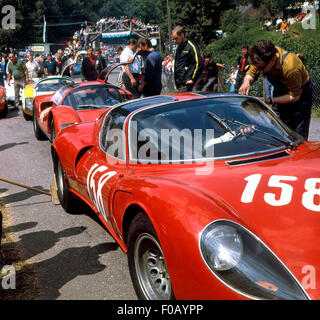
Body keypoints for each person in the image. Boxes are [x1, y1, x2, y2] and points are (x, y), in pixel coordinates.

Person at [239, 40, 312, 139]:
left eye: (262, 68)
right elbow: (252, 72)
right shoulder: (261, 56)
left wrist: (270, 101)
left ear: (273, 60)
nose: (259, 70)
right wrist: (246, 81)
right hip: (281, 89)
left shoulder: (290, 67)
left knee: (297, 133)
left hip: (299, 94)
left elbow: (295, 96)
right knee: (279, 127)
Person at [171, 25, 203, 92]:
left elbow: (199, 63)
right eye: (173, 39)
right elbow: (178, 65)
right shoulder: (179, 47)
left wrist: (192, 79)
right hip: (179, 81)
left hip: (186, 82)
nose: (174, 41)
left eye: (176, 38)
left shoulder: (191, 46)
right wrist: (176, 83)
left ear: (182, 35)